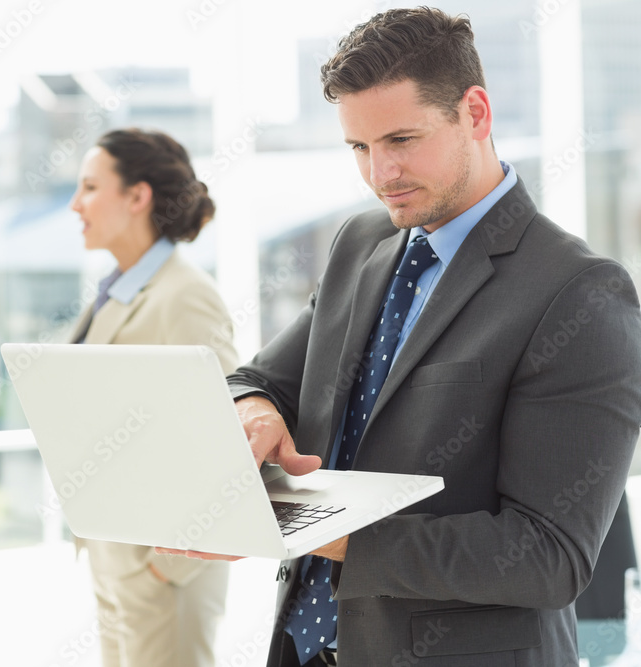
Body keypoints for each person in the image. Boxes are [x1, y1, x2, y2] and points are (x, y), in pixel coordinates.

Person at [159, 7, 641, 667]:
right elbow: (262, 377)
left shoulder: (579, 293)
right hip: (305, 648)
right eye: (359, 147)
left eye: (401, 140)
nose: (379, 173)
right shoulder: (362, 243)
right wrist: (256, 408)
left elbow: (547, 556)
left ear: (475, 113)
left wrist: (325, 531)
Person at [67, 128, 239, 667]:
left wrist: (169, 566)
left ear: (137, 197)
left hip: (164, 566)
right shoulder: (118, 289)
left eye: (91, 187)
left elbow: (228, 435)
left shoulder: (185, 295)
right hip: (117, 553)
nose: (77, 204)